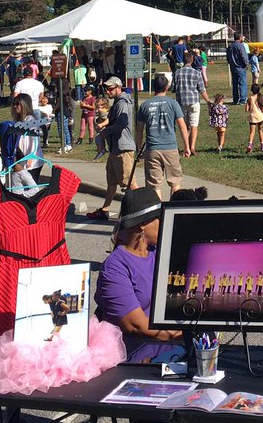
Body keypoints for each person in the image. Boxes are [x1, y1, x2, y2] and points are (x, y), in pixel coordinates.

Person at [95, 187, 183, 362]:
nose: (165, 223)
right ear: (142, 224)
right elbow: (136, 326)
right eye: (160, 218)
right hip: (138, 362)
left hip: (173, 351)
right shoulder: (114, 268)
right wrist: (186, 335)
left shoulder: (157, 252)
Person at [88, 77, 137, 221]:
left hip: (123, 148)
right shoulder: (116, 102)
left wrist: (106, 132)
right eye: (106, 89)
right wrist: (104, 125)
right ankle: (105, 210)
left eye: (110, 88)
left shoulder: (122, 102)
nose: (107, 91)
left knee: (129, 183)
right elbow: (114, 119)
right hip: (115, 148)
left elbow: (122, 123)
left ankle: (142, 210)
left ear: (118, 87)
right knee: (112, 182)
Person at [138, 75, 185, 199]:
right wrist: (187, 146)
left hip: (152, 148)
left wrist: (139, 148)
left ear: (154, 87)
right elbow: (182, 126)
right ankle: (173, 208)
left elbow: (139, 130)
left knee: (154, 186)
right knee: (175, 183)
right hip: (170, 147)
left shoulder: (145, 105)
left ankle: (158, 210)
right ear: (167, 87)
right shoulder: (173, 103)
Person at [172, 59, 209, 157]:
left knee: (184, 126)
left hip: (181, 102)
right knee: (194, 126)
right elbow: (202, 89)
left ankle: (186, 147)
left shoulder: (177, 73)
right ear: (192, 61)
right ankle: (192, 147)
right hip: (194, 102)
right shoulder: (196, 73)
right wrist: (208, 101)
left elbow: (173, 89)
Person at [227, 34, 250, 105]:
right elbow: (244, 56)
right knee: (242, 83)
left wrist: (231, 63)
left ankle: (235, 99)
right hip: (240, 67)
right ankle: (242, 100)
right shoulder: (240, 45)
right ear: (240, 37)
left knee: (235, 84)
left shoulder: (230, 46)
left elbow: (228, 57)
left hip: (233, 67)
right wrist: (246, 63)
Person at [245, 83, 263, 154]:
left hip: (252, 117)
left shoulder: (250, 99)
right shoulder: (260, 98)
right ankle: (262, 145)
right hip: (259, 117)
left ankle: (250, 144)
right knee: (260, 130)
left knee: (252, 132)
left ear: (251, 90)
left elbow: (246, 109)